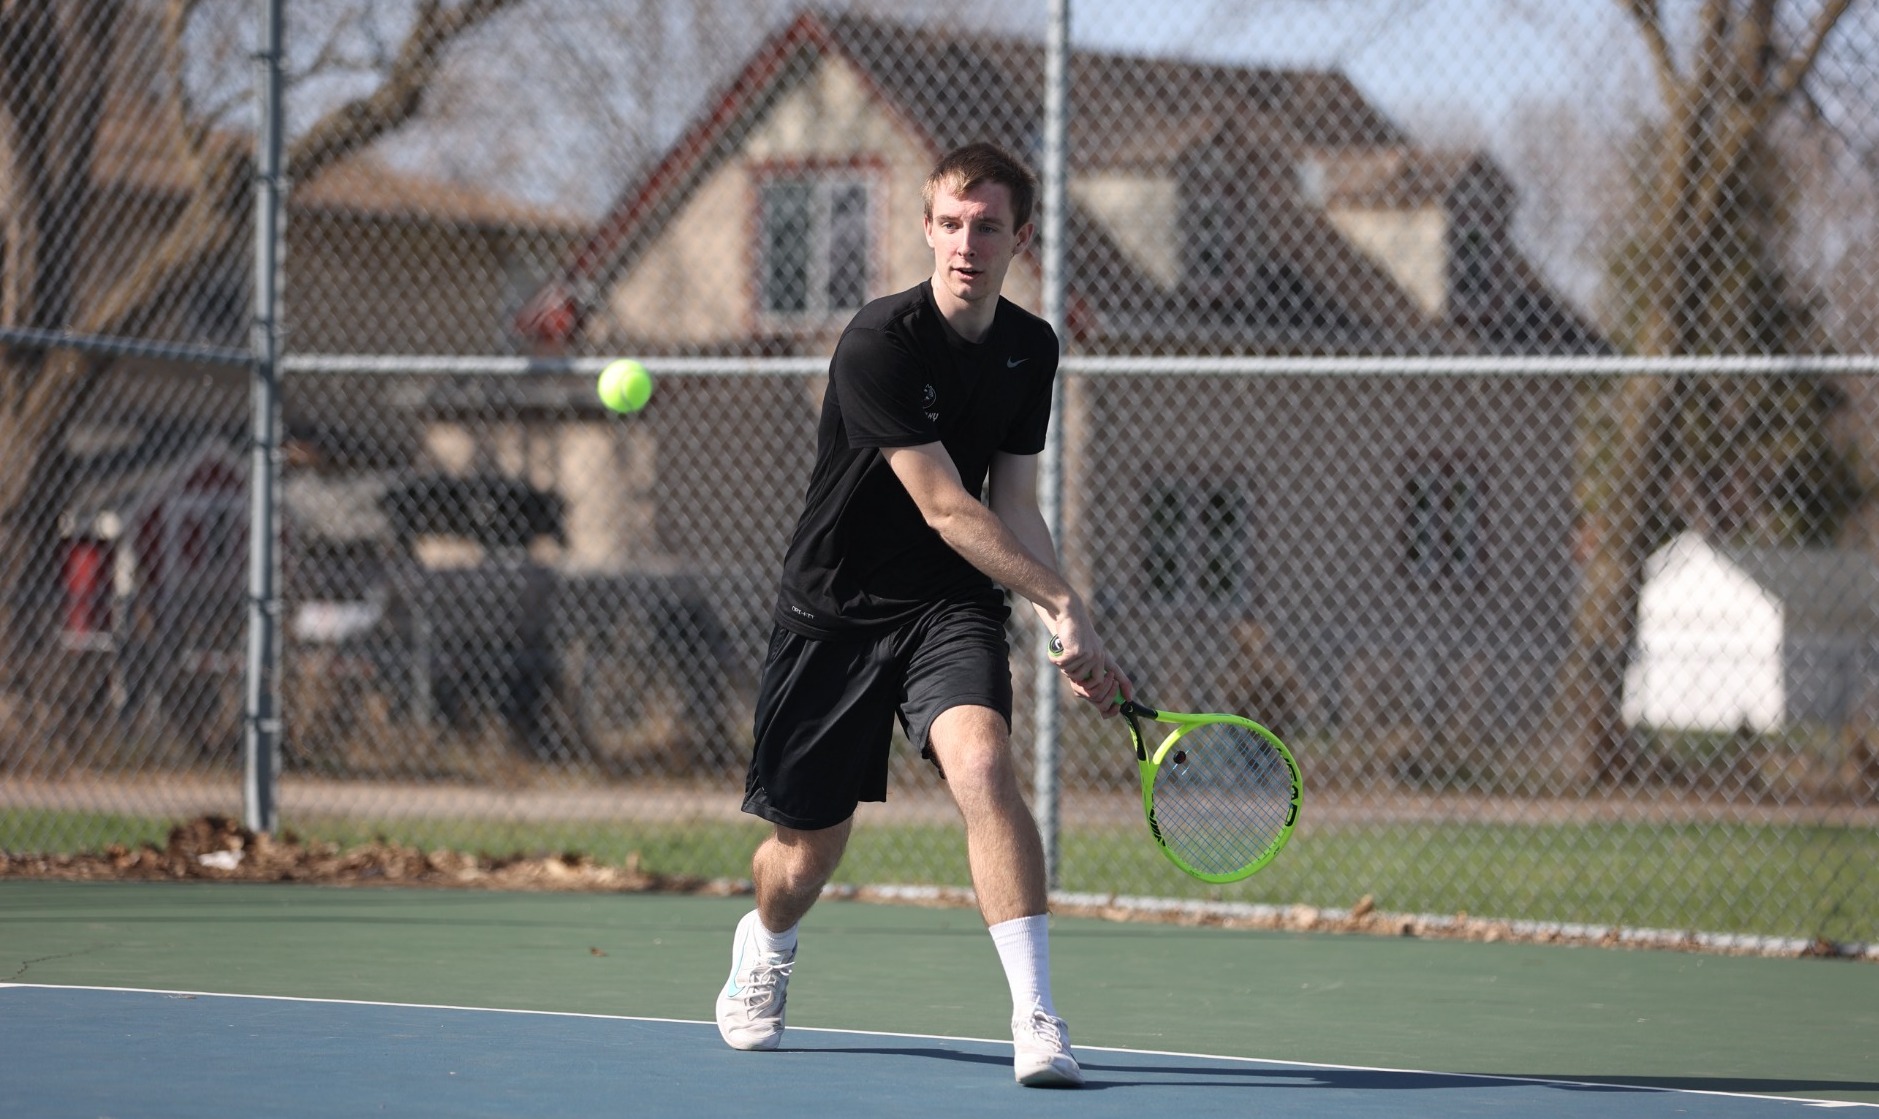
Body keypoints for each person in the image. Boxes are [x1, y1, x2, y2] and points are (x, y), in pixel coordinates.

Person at [713, 142, 1132, 1088]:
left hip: (948, 604)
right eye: (950, 223)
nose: (966, 244)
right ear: (927, 228)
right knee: (805, 849)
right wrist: (1058, 596)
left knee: (983, 765)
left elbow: (1012, 500)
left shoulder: (1033, 347)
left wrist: (1065, 618)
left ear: (1021, 238)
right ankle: (766, 942)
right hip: (834, 609)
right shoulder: (878, 343)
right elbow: (946, 505)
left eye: (988, 226)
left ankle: (1036, 1015)